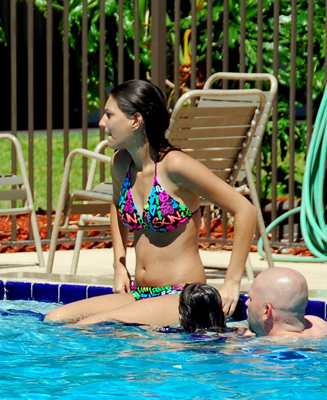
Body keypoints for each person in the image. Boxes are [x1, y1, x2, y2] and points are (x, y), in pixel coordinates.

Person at [45, 80, 257, 326]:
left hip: (182, 296)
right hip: (140, 294)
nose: (102, 122)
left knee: (93, 326)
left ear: (136, 120)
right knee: (55, 319)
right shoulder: (121, 163)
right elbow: (116, 204)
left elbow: (245, 209)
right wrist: (119, 263)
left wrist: (231, 282)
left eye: (109, 114)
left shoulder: (174, 166)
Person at [243, 267, 327, 338]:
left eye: (251, 298)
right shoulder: (320, 325)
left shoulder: (269, 347)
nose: (246, 303)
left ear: (266, 311)